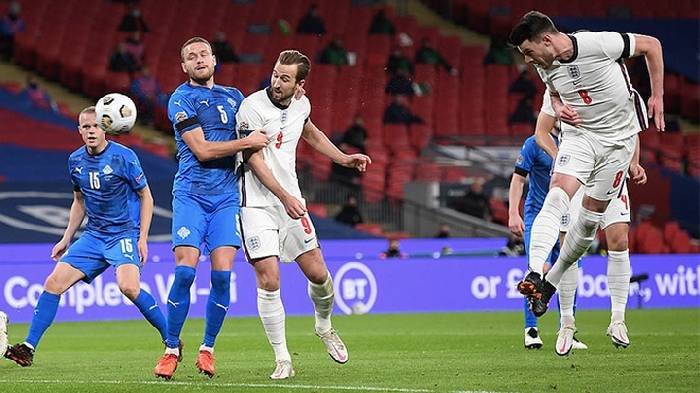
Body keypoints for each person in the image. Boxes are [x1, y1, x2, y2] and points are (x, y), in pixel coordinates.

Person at [509, 12, 663, 348]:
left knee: (590, 226)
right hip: (580, 137)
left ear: (546, 40)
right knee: (557, 192)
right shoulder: (543, 64)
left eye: (529, 51)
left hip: (617, 145)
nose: (527, 59)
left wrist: (657, 96)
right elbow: (552, 92)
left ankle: (550, 284)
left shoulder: (597, 43)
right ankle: (536, 273)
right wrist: (558, 105)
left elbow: (652, 45)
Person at [235, 49, 371, 379]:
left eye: (285, 78)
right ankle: (283, 358)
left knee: (320, 276)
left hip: (290, 200)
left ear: (300, 84)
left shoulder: (301, 103)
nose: (277, 82)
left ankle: (324, 327)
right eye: (275, 74)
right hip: (256, 203)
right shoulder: (251, 108)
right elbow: (253, 160)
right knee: (269, 278)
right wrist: (283, 197)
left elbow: (309, 131)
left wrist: (342, 158)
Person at [4, 106, 166, 367]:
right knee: (53, 282)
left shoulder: (124, 157)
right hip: (93, 236)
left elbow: (146, 195)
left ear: (106, 127)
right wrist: (66, 237)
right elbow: (79, 201)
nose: (91, 131)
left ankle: (171, 342)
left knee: (128, 287)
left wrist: (142, 238)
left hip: (123, 234)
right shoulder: (75, 160)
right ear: (79, 130)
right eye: (86, 127)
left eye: (96, 126)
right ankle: (28, 348)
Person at [153, 37, 269, 379]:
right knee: (186, 271)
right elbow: (202, 151)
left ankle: (207, 349)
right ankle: (171, 348)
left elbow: (267, 111)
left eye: (204, 54)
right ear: (184, 67)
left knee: (221, 275)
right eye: (191, 56)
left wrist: (292, 101)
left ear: (214, 60)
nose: (199, 59)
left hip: (225, 199)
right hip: (191, 195)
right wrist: (246, 143)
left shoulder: (236, 98)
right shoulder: (181, 99)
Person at [535, 91, 647, 353]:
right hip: (578, 174)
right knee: (569, 249)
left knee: (619, 240)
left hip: (612, 169)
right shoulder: (558, 83)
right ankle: (566, 324)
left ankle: (618, 320)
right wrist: (563, 161)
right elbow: (542, 131)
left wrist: (634, 162)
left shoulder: (616, 81)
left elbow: (631, 127)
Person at [508, 94, 586, 352]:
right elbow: (518, 179)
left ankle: (568, 330)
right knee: (537, 270)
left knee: (567, 268)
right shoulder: (534, 143)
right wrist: (513, 213)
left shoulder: (579, 146)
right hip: (536, 214)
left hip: (569, 216)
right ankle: (531, 329)